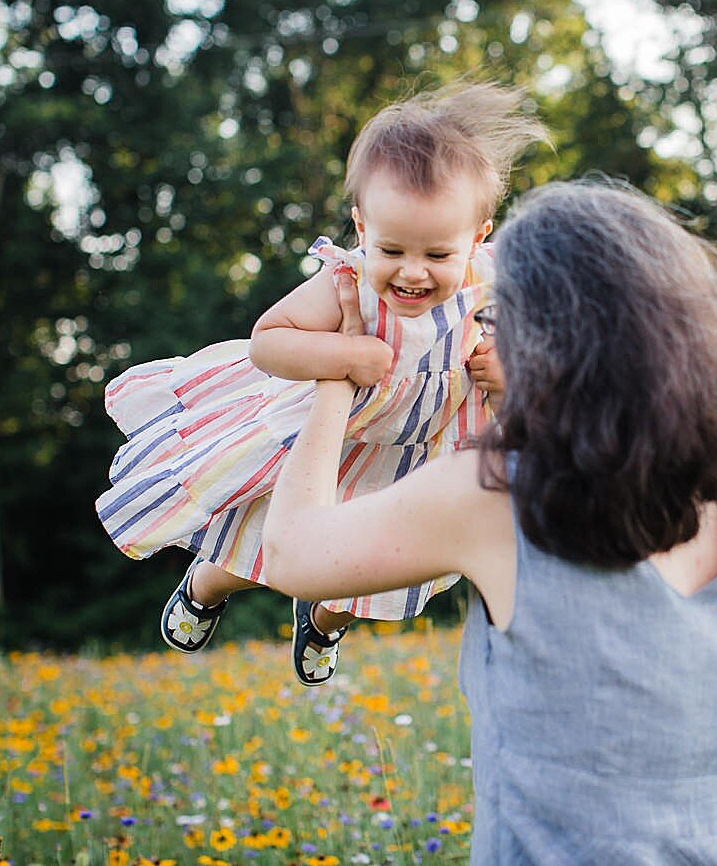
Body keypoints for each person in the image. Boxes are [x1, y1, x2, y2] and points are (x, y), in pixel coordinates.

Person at [261, 180, 717, 862]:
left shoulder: (496, 495)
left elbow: (291, 554)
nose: (483, 331)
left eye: (494, 315)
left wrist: (336, 376)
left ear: (545, 337)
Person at [95, 81, 548, 686]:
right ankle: (205, 586)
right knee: (251, 543)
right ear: (362, 227)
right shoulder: (350, 282)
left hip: (418, 453)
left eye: (437, 255)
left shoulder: (494, 285)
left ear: (478, 236)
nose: (413, 272)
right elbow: (269, 339)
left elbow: (534, 367)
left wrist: (505, 370)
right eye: (391, 248)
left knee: (366, 573)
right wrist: (344, 351)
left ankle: (324, 624)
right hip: (329, 442)